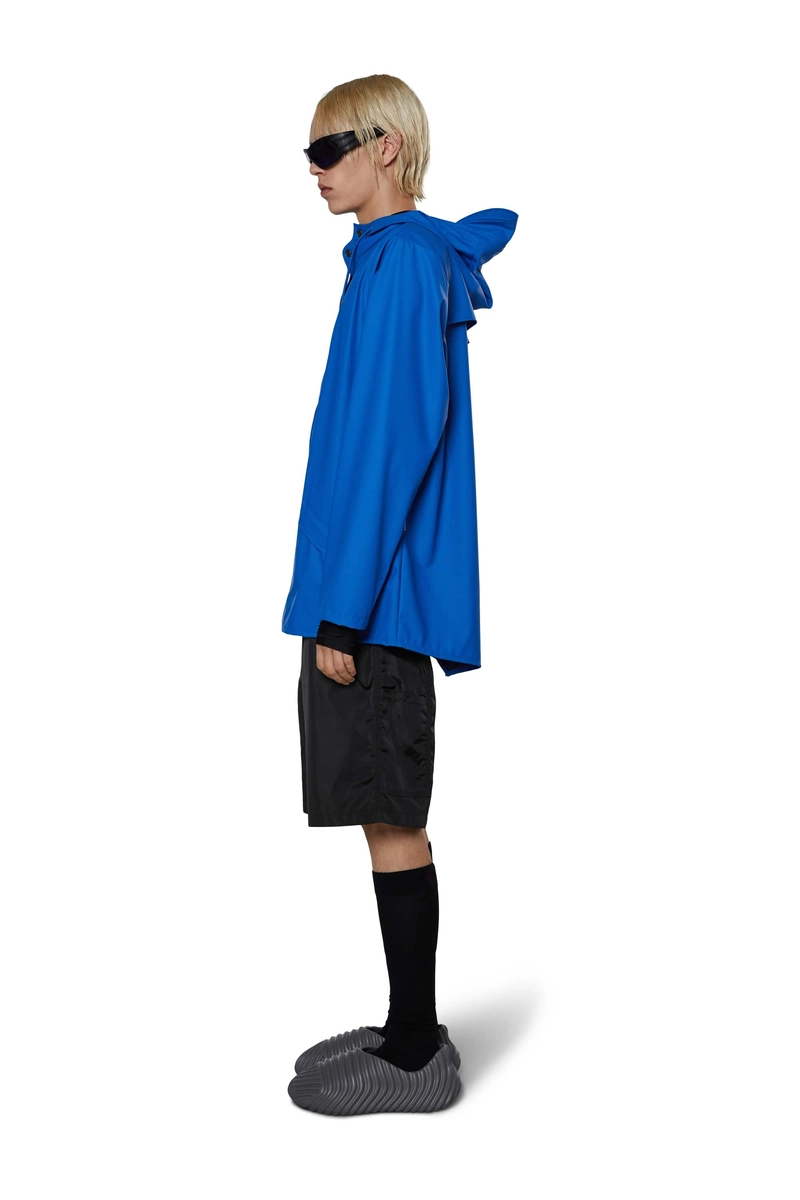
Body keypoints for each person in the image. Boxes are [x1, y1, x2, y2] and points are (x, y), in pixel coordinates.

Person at [283, 74, 517, 1116]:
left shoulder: (401, 266)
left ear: (386, 147)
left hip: (370, 603)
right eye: (307, 154)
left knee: (389, 813)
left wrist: (342, 610)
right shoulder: (390, 260)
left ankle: (416, 1052)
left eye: (329, 148)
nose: (315, 170)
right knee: (377, 809)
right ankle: (406, 1026)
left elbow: (392, 442)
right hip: (361, 591)